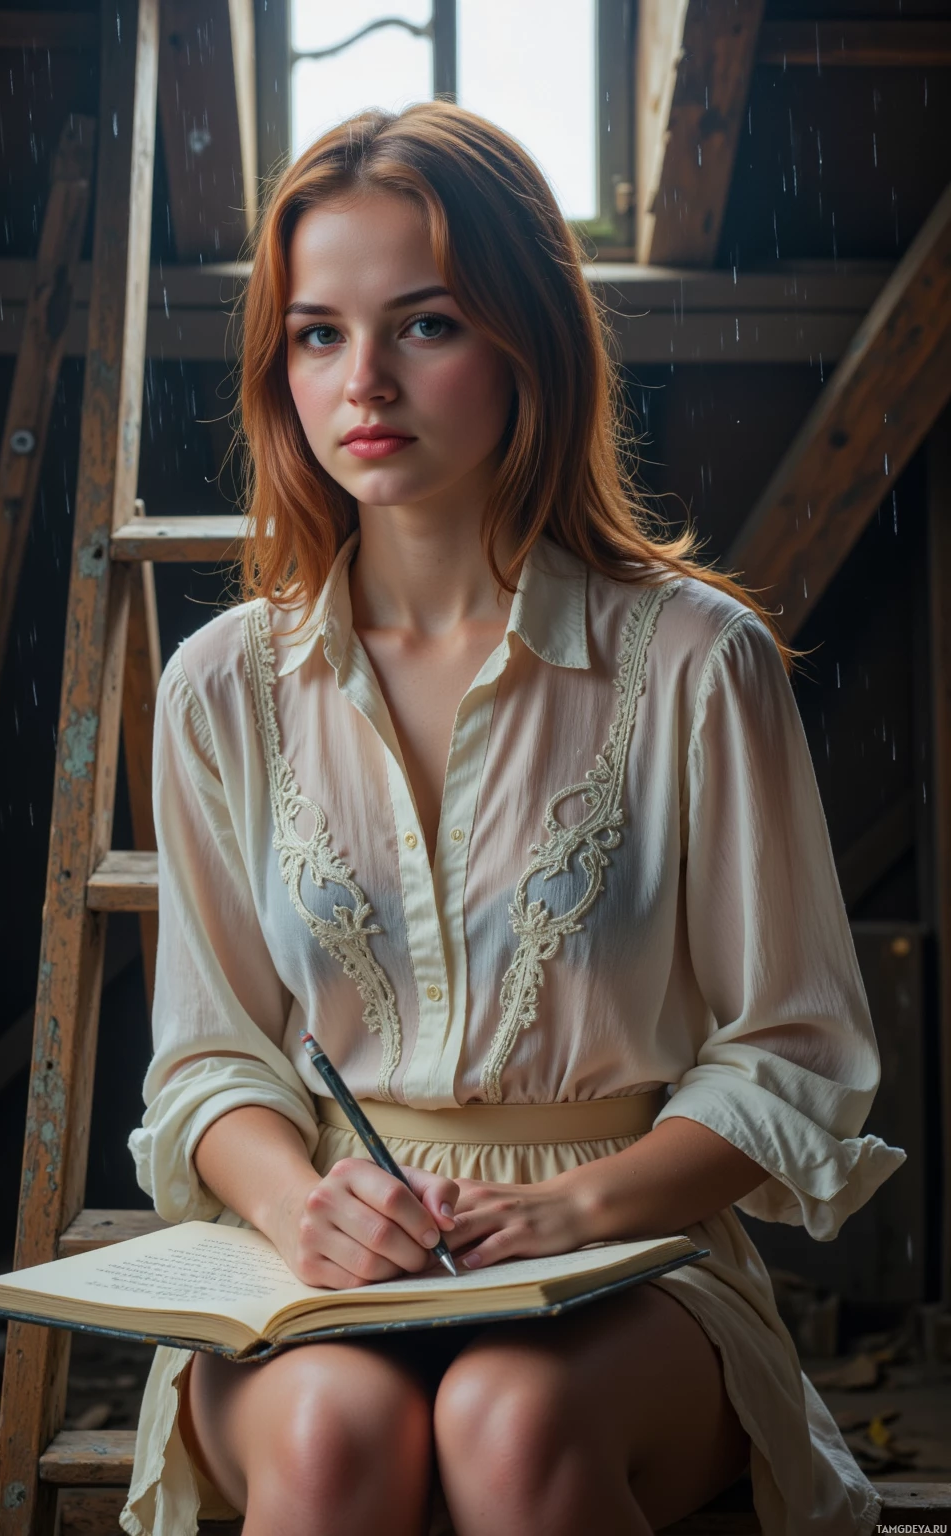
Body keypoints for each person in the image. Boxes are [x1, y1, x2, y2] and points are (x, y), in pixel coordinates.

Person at [120, 102, 906, 1536]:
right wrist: (302, 1205)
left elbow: (795, 1052)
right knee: (332, 1438)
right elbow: (208, 1063)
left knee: (510, 1417)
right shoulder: (218, 687)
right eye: (316, 334)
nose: (364, 381)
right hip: (324, 1247)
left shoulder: (692, 662)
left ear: (527, 338)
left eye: (423, 325)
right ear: (277, 364)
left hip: (631, 1256)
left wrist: (578, 1208)